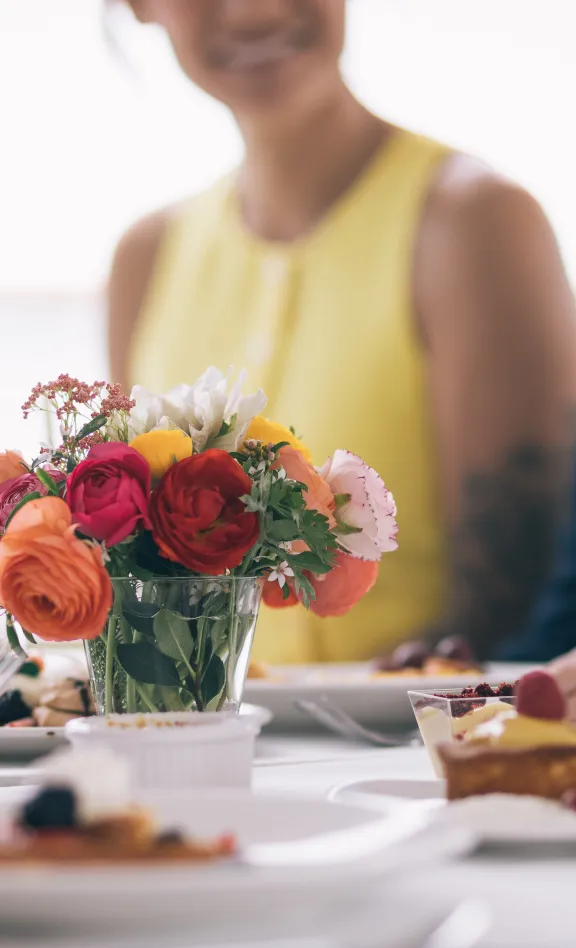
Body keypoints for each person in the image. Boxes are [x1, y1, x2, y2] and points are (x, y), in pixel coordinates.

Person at [107, 0, 576, 665]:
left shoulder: (476, 224)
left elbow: (517, 610)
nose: (252, 9)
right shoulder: (146, 259)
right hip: (198, 752)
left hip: (415, 755)